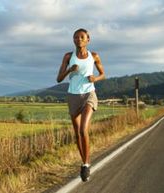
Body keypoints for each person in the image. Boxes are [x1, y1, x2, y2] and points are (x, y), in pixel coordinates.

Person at [56, 28, 105, 181]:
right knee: (77, 133)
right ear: (73, 40)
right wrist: (70, 69)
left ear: (88, 40)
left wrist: (95, 79)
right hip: (73, 96)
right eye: (76, 37)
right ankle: (84, 161)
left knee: (84, 130)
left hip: (89, 94)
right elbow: (58, 79)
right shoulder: (68, 56)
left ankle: (86, 165)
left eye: (82, 37)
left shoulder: (94, 56)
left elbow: (103, 74)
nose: (79, 39)